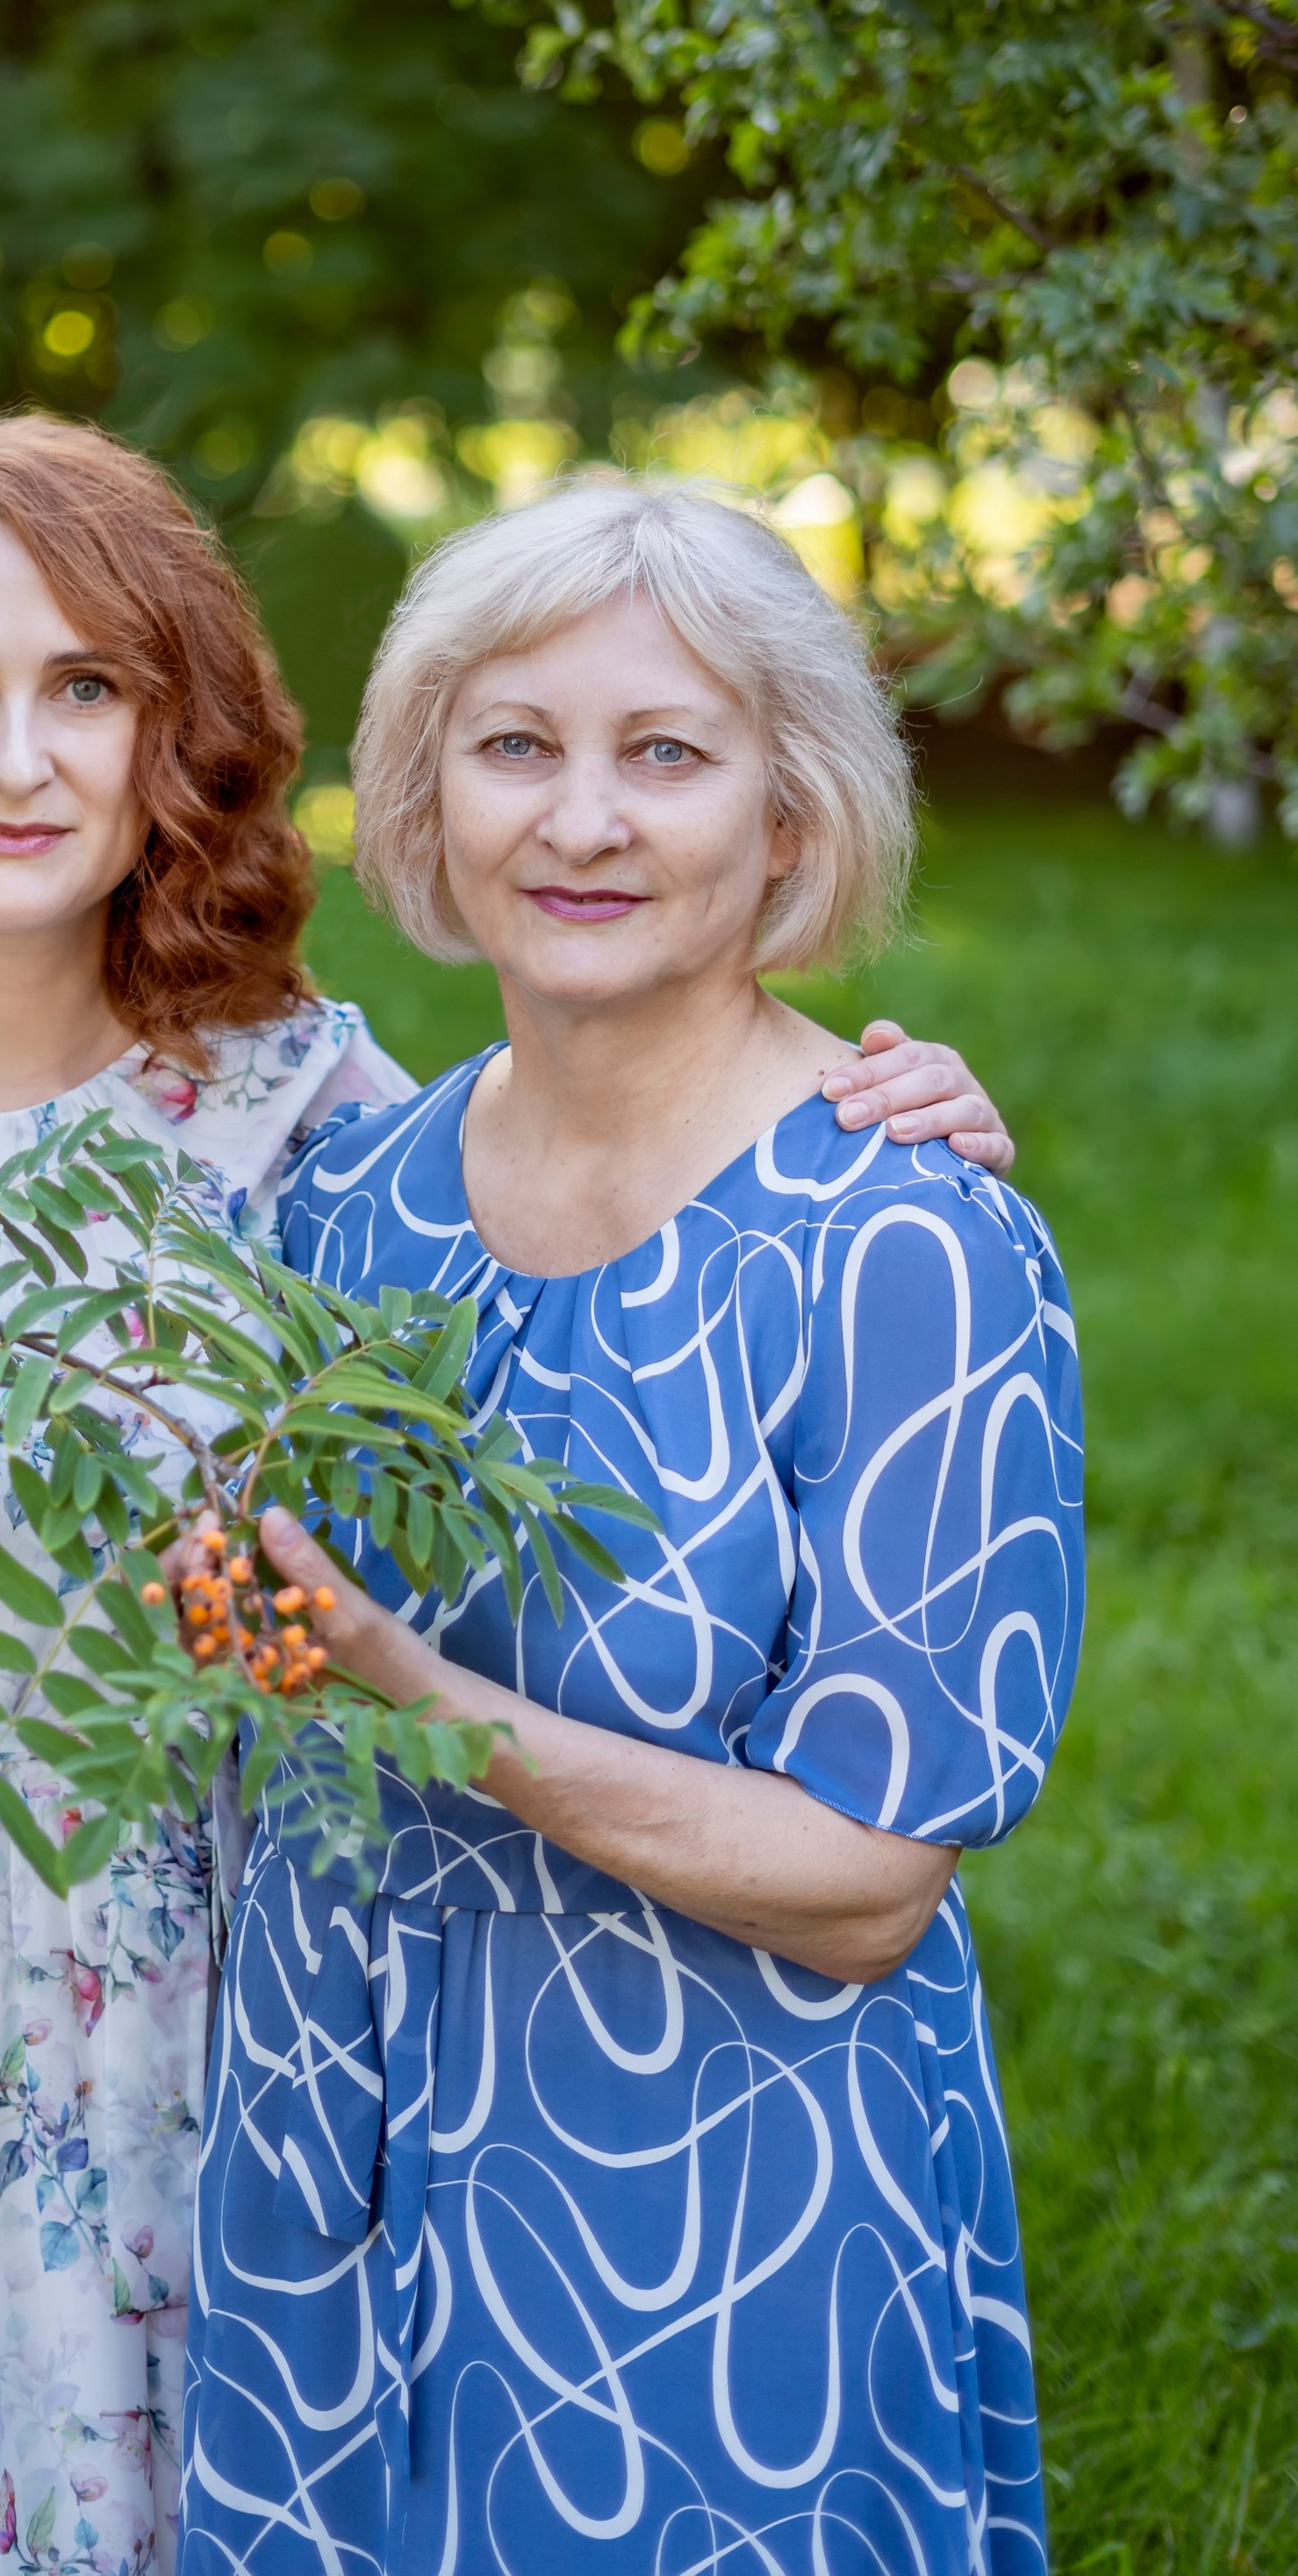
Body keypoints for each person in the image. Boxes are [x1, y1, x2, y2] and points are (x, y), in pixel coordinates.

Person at [0, 419, 1010, 2576]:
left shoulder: (306, 1128)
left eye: (87, 687)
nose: (14, 756)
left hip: (161, 2026)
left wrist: (877, 1106)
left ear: (177, 738)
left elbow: (602, 1203)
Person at [181, 475, 1083, 2576]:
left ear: (786, 817)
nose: (577, 819)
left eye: (663, 753)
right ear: (426, 797)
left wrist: (421, 1699)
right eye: (514, 745)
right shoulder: (337, 1206)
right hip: (328, 2172)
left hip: (713, 2226)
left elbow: (866, 1884)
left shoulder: (906, 1249)